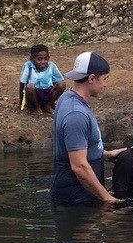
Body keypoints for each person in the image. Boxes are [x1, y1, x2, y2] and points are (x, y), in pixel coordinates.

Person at [50, 51, 126, 206]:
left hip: (79, 192)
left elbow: (74, 147)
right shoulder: (76, 114)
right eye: (105, 79)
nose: (105, 84)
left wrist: (104, 154)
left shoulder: (67, 98)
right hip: (76, 197)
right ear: (91, 78)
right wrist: (108, 199)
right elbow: (79, 167)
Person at [18, 44, 66, 114]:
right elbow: (22, 83)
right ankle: (37, 106)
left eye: (45, 59)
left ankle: (48, 105)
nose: (43, 62)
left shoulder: (52, 66)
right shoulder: (28, 66)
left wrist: (54, 98)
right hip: (34, 94)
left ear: (48, 58)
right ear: (32, 58)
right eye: (39, 59)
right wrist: (21, 101)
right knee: (30, 87)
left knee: (62, 84)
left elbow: (58, 82)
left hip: (48, 92)